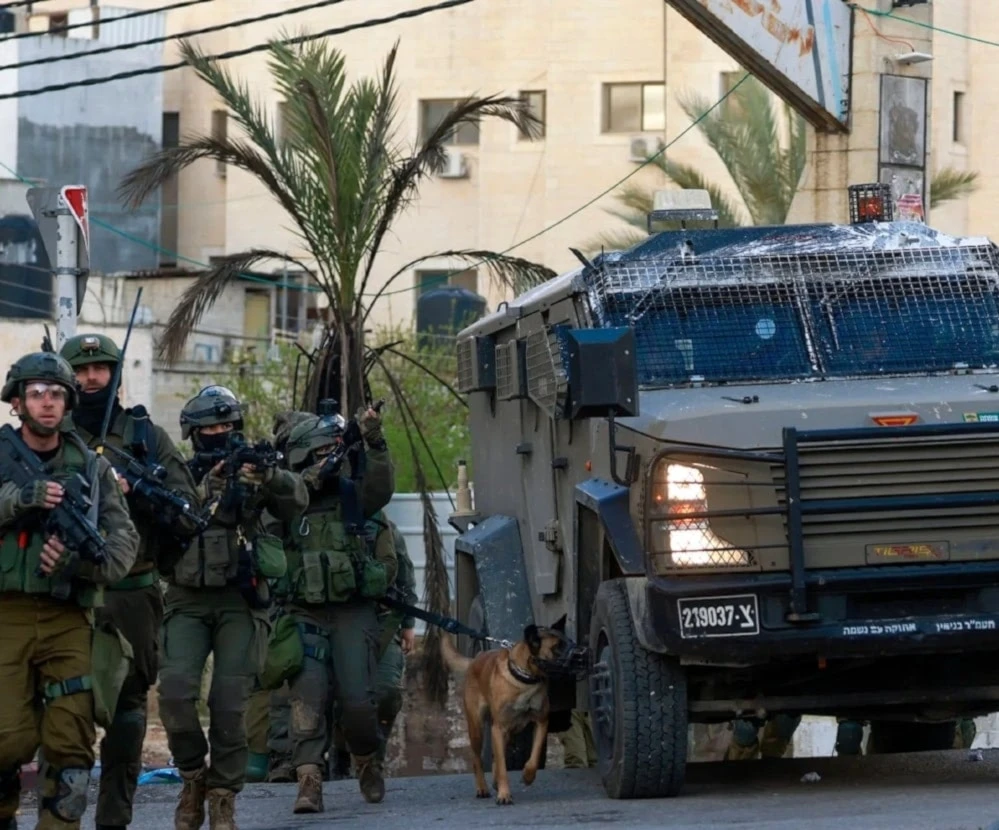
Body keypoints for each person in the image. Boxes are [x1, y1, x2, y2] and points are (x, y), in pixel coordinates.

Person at [59, 333, 201, 830]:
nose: (92, 378)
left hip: (132, 594)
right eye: (81, 369)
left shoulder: (146, 437)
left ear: (116, 376)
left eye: (102, 369)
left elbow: (187, 515)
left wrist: (135, 495)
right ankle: (62, 817)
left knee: (127, 715)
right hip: (67, 596)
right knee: (66, 713)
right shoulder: (50, 436)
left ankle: (113, 820)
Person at [0, 351, 139, 830]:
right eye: (36, 393)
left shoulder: (93, 470)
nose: (47, 403)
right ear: (17, 402)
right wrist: (20, 501)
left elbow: (123, 547)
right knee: (8, 742)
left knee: (71, 743)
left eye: (56, 394)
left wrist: (77, 562)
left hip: (69, 618)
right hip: (6, 616)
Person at [158, 386, 307, 830]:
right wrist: (207, 490)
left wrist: (268, 479)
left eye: (226, 426)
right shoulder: (178, 474)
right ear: (193, 433)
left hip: (241, 599)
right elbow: (163, 518)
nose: (219, 434)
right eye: (209, 428)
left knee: (229, 704)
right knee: (175, 695)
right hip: (186, 598)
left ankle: (222, 797)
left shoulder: (255, 469)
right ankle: (192, 777)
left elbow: (296, 500)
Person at [278, 406, 395, 813]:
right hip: (304, 612)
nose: (332, 459)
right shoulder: (287, 500)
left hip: (351, 611)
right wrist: (304, 482)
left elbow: (380, 488)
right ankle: (309, 778)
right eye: (323, 452)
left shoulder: (351, 494)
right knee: (308, 695)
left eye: (336, 450)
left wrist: (375, 441)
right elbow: (262, 515)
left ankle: (366, 758)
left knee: (360, 702)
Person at [330, 515, 418, 776]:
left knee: (387, 692)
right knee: (336, 695)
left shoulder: (385, 529)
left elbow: (404, 573)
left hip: (383, 622)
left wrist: (409, 622)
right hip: (338, 621)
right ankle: (341, 750)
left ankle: (372, 758)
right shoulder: (326, 524)